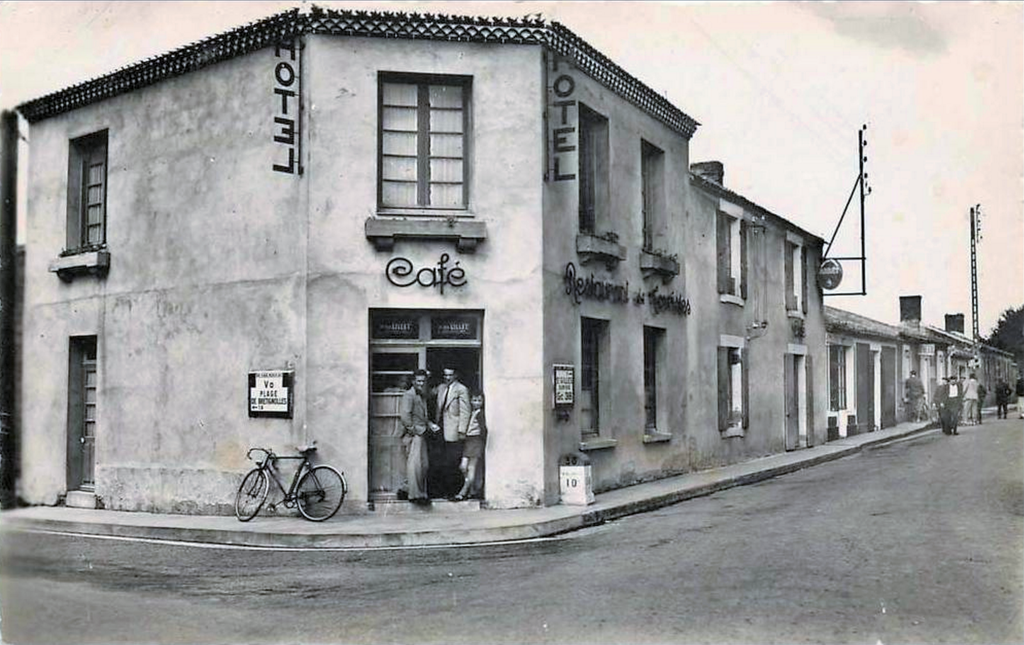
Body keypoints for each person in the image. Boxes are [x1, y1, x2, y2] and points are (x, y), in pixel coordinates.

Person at [399, 369, 438, 505]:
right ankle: (415, 496)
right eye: (419, 381)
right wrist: (414, 431)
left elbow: (422, 415)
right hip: (415, 434)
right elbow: (405, 416)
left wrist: (430, 424)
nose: (421, 383)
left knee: (422, 465)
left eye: (423, 381)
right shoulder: (409, 395)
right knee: (416, 465)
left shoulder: (421, 395)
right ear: (413, 382)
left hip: (421, 432)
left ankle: (406, 489)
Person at [435, 366, 471, 499]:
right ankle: (443, 491)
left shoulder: (461, 389)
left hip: (454, 430)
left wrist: (462, 430)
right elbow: (428, 394)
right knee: (442, 461)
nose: (447, 377)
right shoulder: (441, 388)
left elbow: (465, 411)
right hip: (441, 429)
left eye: (450, 375)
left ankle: (454, 491)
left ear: (455, 376)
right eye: (445, 375)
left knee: (452, 462)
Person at [455, 391, 488, 501]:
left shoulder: (480, 414)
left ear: (483, 402)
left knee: (471, 467)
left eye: (479, 401)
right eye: (474, 400)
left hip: (476, 440)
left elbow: (484, 429)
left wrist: (482, 442)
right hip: (468, 441)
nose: (476, 403)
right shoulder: (471, 412)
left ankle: (463, 492)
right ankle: (471, 488)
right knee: (463, 466)